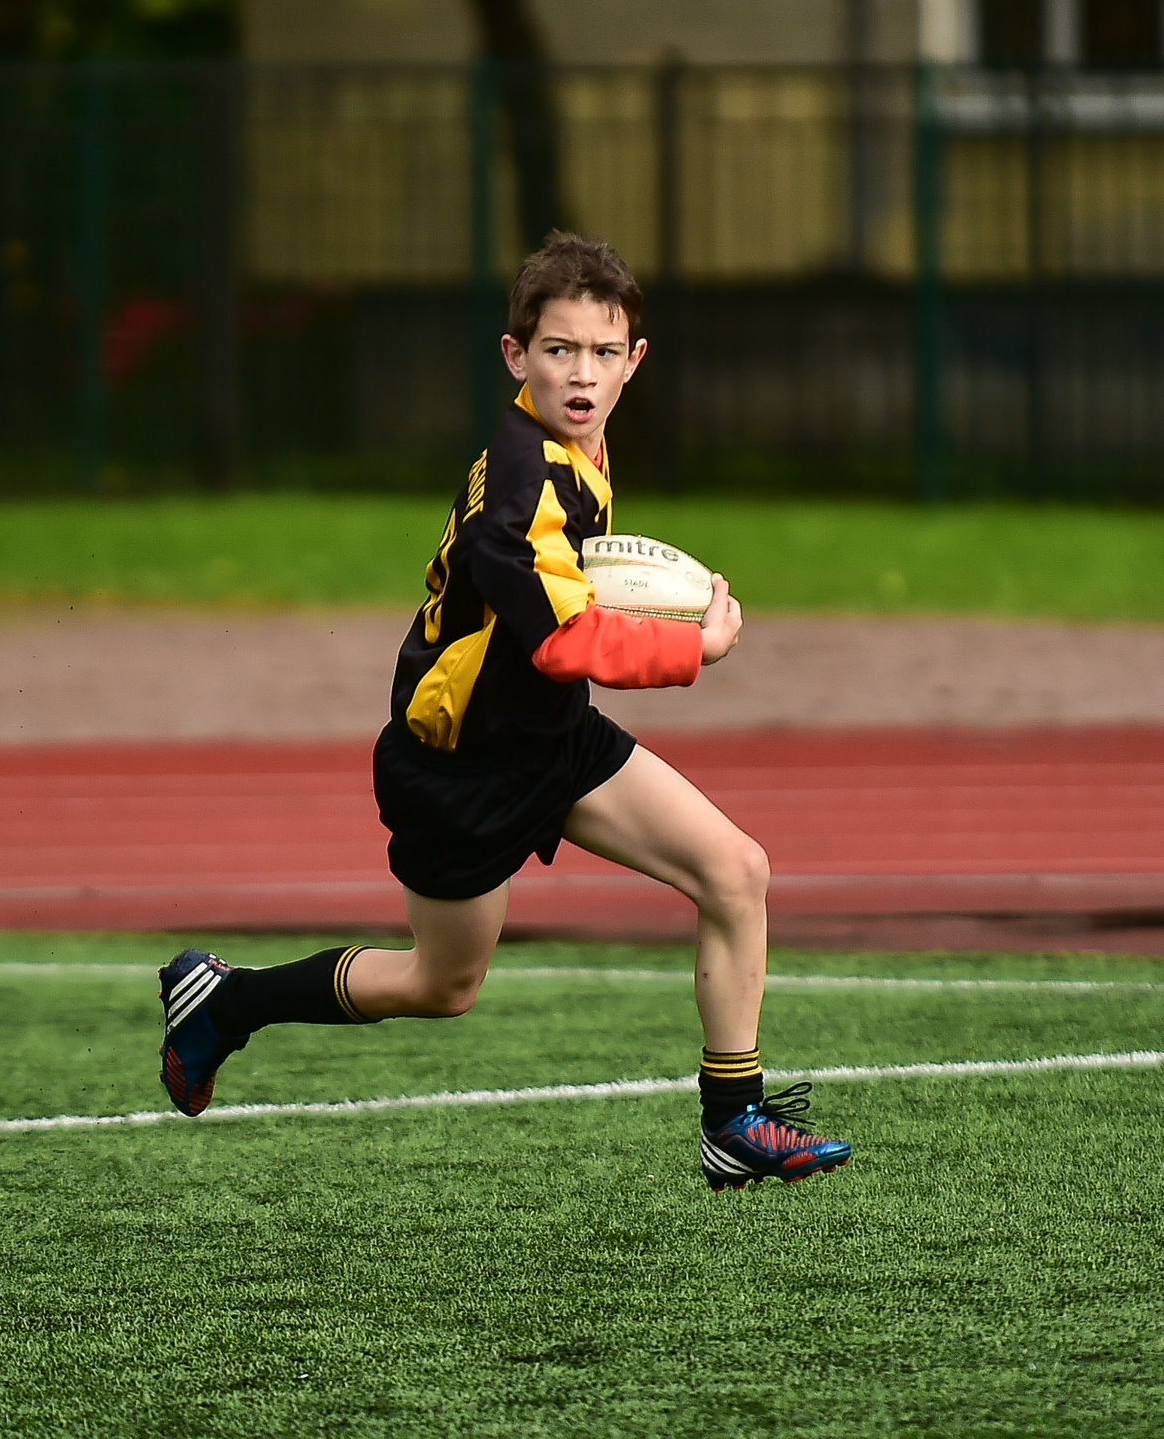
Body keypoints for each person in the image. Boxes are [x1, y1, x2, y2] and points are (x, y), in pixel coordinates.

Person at [157, 231, 851, 1193]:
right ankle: (228, 1003)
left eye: (604, 352)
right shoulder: (523, 482)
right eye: (559, 350)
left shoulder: (580, 446)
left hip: (551, 736)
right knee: (442, 985)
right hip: (462, 766)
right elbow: (561, 641)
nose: (583, 372)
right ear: (516, 355)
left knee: (736, 872)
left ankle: (734, 1120)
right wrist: (693, 648)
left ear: (634, 361)